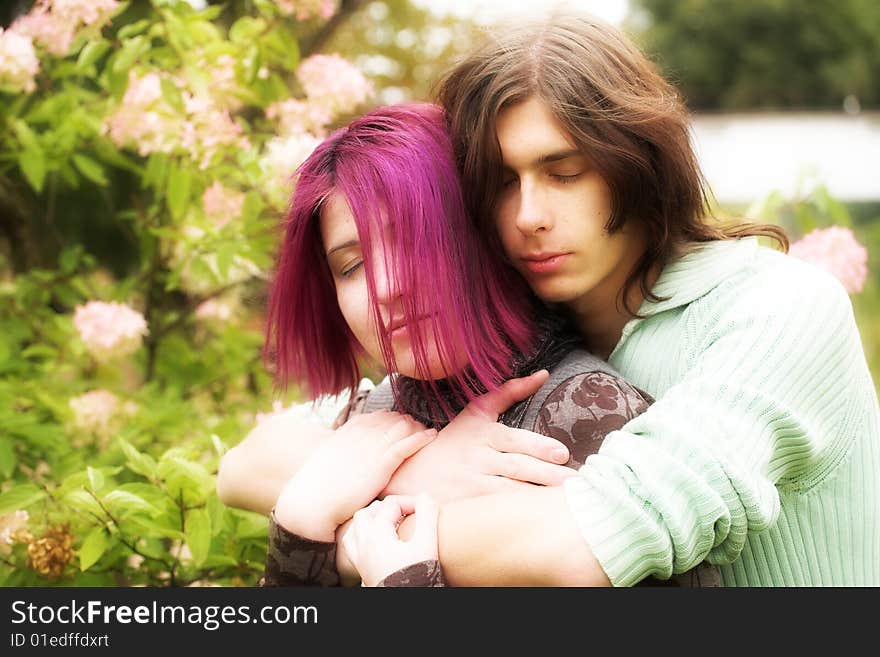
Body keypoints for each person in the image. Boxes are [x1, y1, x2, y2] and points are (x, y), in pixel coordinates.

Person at [229, 10, 880, 586]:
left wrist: (354, 530)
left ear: (638, 161)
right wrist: (419, 467)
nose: (529, 215)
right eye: (501, 183)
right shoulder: (527, 319)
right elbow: (247, 462)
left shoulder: (777, 308)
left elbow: (590, 541)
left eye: (563, 172)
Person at [229, 102, 713, 586]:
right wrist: (301, 519)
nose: (386, 287)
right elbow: (243, 464)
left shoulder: (586, 415)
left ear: (480, 231)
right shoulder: (372, 422)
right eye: (352, 266)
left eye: (414, 242)